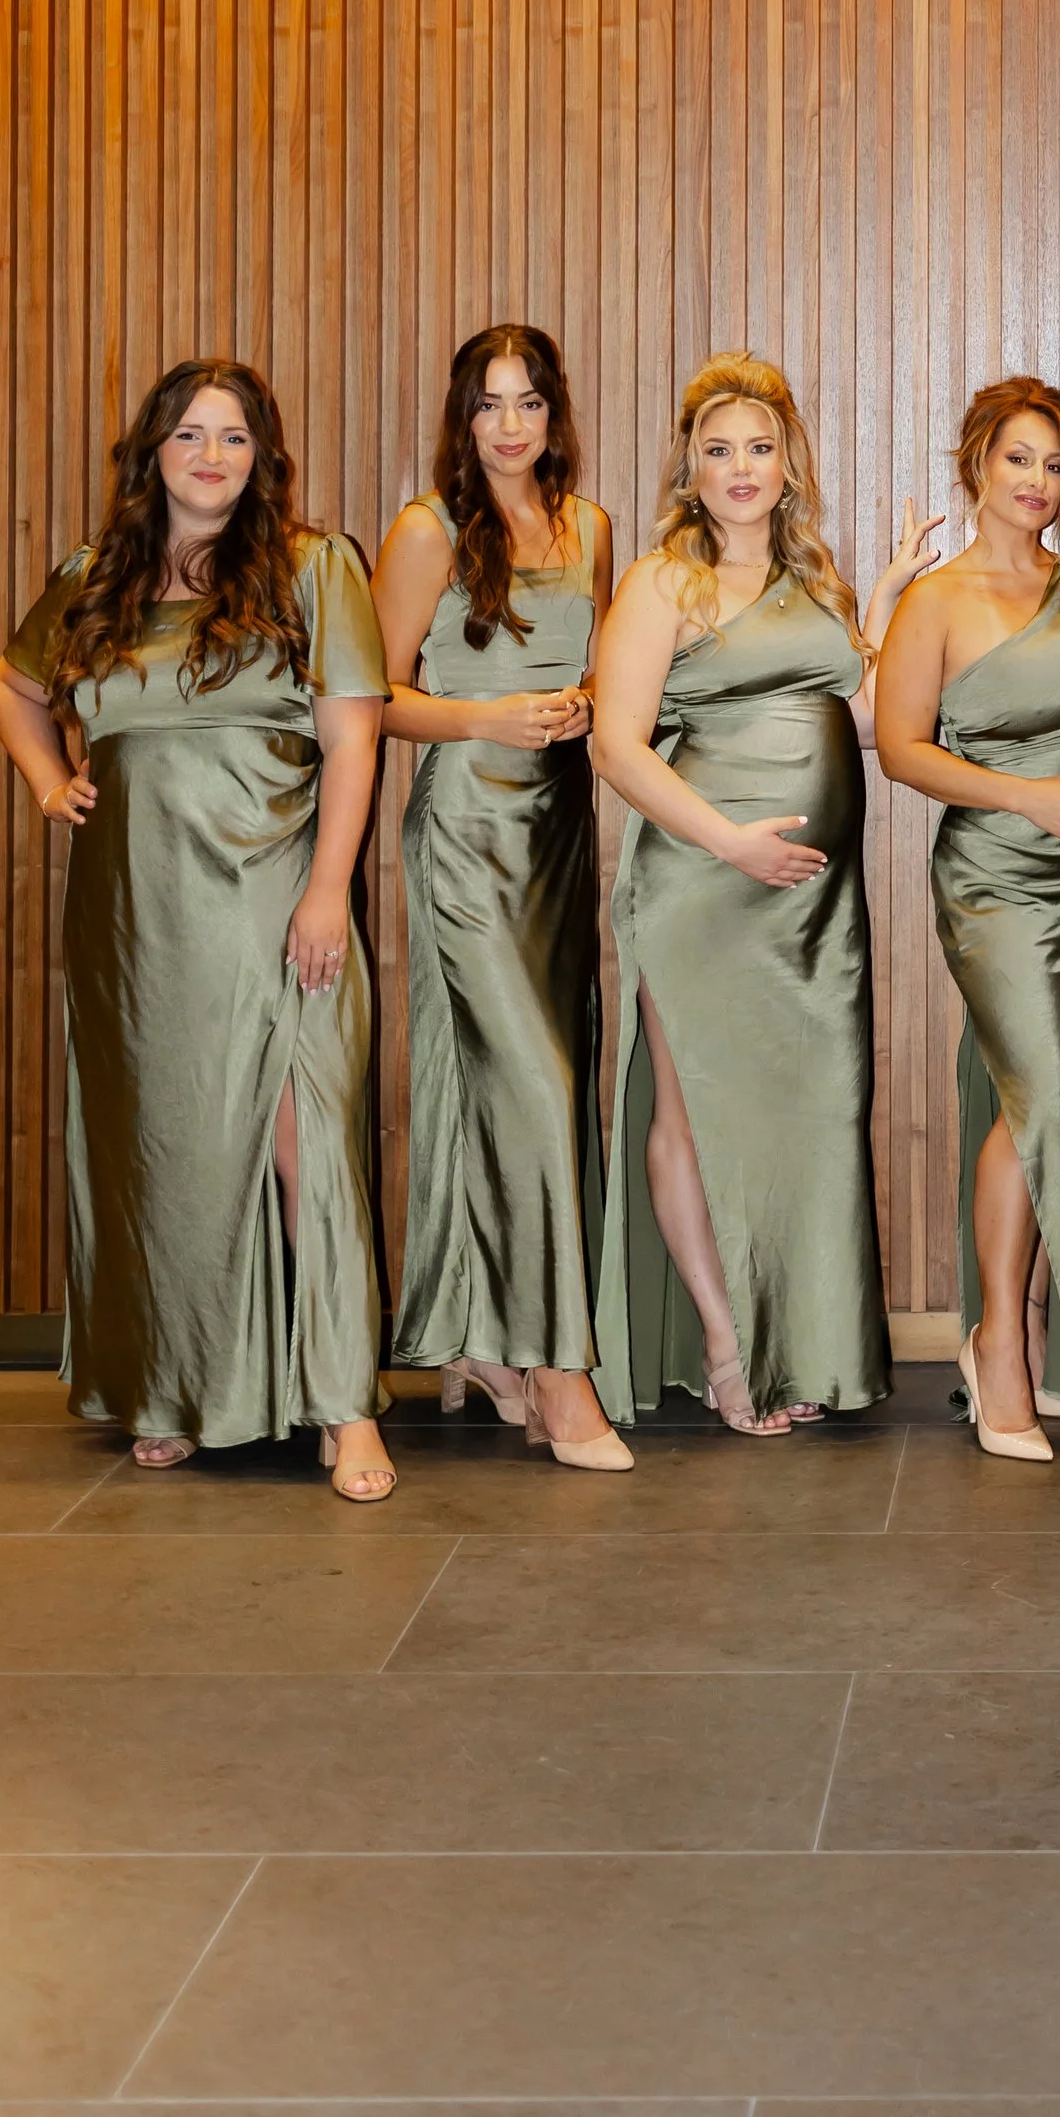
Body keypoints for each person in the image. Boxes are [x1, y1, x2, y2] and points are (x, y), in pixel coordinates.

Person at [0, 360, 395, 1499]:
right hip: (134, 919)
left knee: (302, 1144)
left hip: (273, 900)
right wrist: (45, 777)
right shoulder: (92, 576)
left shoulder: (315, 569)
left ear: (263, 456)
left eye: (234, 438)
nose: (212, 457)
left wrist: (327, 892)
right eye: (189, 435)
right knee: (156, 1153)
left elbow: (353, 743)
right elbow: (14, 689)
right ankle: (165, 1384)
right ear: (152, 451)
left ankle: (345, 1405)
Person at [590, 354, 928, 1433]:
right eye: (719, 449)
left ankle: (804, 1347)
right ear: (690, 466)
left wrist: (884, 604)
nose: (741, 467)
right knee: (694, 1117)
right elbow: (615, 746)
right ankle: (730, 1351)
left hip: (810, 906)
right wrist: (730, 842)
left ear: (790, 465)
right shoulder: (659, 582)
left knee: (813, 1119)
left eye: (760, 447)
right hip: (703, 880)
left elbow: (867, 719)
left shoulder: (816, 582)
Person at [372, 324, 624, 1472]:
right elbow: (369, 697)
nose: (510, 425)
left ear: (554, 413)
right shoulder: (428, 531)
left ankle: (487, 1341)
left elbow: (612, 671)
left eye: (528, 403)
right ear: (461, 420)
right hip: (467, 824)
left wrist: (577, 697)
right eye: (488, 405)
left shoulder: (591, 527)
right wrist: (487, 715)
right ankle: (562, 1376)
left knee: (545, 1086)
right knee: (526, 1079)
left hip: (560, 828)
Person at [876, 378, 1060, 1461]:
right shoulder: (936, 600)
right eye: (1020, 459)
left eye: (1056, 465)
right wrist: (1024, 794)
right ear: (978, 461)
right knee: (1037, 1097)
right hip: (994, 874)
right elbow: (899, 749)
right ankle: (994, 1352)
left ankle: (1024, 1329)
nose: (1038, 483)